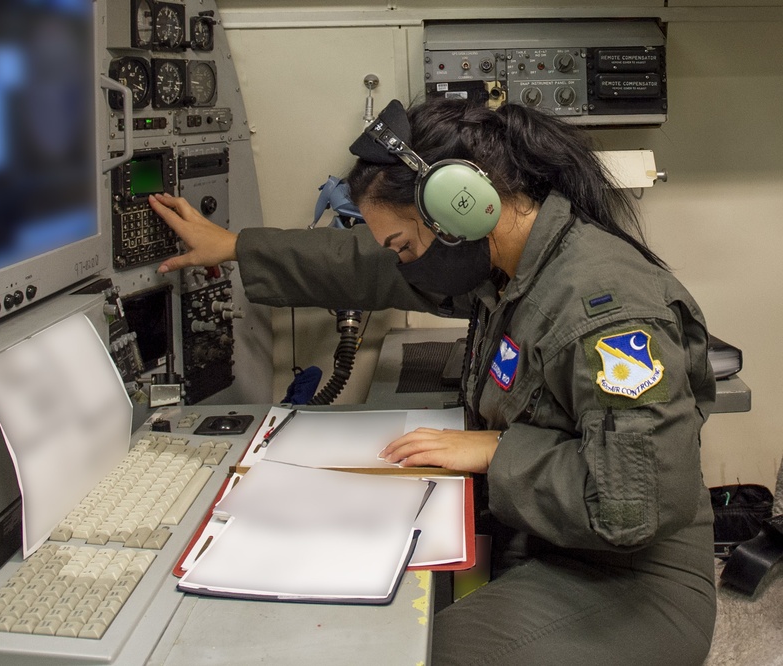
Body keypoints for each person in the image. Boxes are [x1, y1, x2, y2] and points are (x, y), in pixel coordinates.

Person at [149, 97, 717, 664]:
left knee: (427, 652)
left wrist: (497, 451)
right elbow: (360, 262)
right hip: (550, 534)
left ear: (459, 212)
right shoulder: (512, 263)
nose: (405, 265)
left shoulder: (605, 311)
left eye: (406, 246)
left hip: (630, 575)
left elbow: (632, 504)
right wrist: (237, 247)